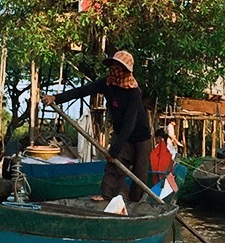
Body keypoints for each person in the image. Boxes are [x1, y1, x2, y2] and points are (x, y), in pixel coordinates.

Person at [44, 49, 151, 201]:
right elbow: (82, 91)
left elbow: (130, 122)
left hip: (141, 136)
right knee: (114, 165)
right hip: (121, 133)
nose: (114, 71)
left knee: (140, 172)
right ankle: (107, 196)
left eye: (118, 67)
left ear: (126, 70)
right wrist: (56, 98)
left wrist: (116, 147)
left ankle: (135, 203)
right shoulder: (107, 83)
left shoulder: (134, 92)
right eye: (113, 66)